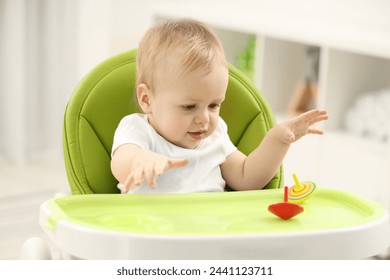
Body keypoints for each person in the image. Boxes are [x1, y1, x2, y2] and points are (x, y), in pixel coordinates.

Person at [110, 19, 328, 194]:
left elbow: (247, 178)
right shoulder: (139, 130)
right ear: (147, 99)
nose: (204, 118)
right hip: (150, 233)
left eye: (214, 105)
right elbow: (120, 164)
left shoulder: (214, 137)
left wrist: (277, 140)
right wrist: (141, 161)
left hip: (210, 234)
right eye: (189, 106)